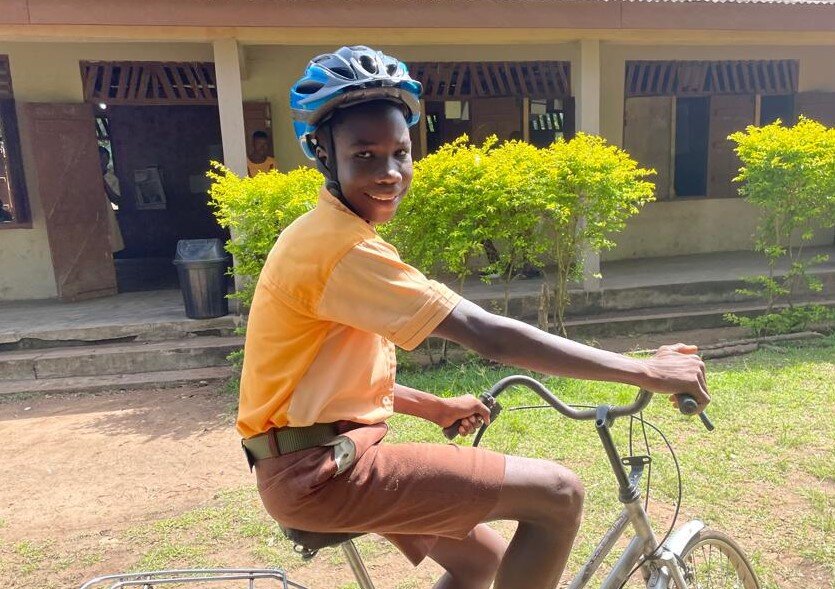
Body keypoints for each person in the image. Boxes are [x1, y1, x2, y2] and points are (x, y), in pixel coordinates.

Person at [238, 46, 710, 589]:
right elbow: (489, 334)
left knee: (481, 562)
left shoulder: (328, 234)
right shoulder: (338, 249)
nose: (389, 172)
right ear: (323, 152)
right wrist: (646, 370)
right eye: (365, 155)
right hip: (325, 474)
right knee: (560, 493)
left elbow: (330, 385)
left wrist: (436, 406)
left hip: (327, 458)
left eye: (400, 152)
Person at [98, 146, 124, 254]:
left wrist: (103, 182)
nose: (101, 162)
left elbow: (116, 199)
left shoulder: (111, 178)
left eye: (104, 159)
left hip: (107, 213)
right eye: (99, 158)